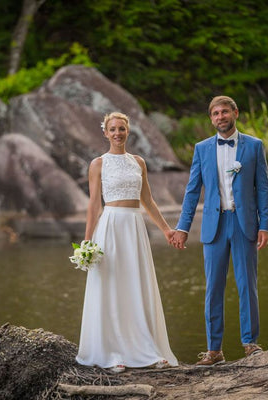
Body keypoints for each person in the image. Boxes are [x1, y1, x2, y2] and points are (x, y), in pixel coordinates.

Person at [172, 96, 268, 366]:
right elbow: (193, 191)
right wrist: (182, 227)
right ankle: (214, 351)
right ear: (211, 118)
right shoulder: (202, 149)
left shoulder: (254, 146)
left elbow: (263, 188)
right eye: (215, 113)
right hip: (213, 227)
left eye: (224, 111)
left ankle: (250, 344)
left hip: (244, 225)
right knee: (213, 288)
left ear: (235, 113)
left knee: (246, 286)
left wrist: (266, 225)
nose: (220, 117)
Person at [76, 111, 178, 373]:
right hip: (110, 227)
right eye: (113, 129)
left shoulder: (138, 162)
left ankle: (149, 351)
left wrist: (166, 230)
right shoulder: (98, 163)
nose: (117, 133)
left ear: (127, 131)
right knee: (112, 287)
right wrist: (87, 242)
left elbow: (148, 200)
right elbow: (93, 204)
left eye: (122, 129)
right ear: (105, 132)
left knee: (136, 286)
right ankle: (114, 353)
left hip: (134, 227)